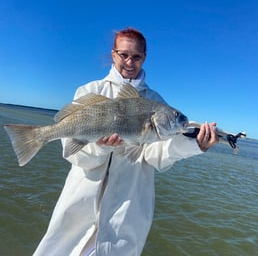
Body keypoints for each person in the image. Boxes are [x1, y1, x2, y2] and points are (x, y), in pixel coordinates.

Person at [33, 27, 218, 256]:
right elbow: (73, 154)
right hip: (81, 200)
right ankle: (37, 136)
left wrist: (194, 145)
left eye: (136, 56)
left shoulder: (155, 102)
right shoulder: (89, 90)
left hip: (128, 206)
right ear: (113, 54)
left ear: (144, 58)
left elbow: (155, 155)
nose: (130, 62)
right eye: (124, 54)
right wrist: (99, 148)